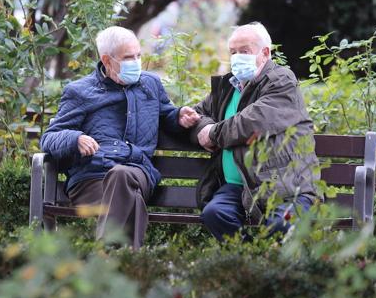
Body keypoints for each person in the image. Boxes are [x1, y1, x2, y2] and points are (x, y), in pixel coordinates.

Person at [40, 26, 200, 249]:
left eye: (138, 55)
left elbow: (166, 114)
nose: (135, 62)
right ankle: (128, 265)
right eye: (128, 57)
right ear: (107, 60)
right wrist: (75, 138)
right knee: (132, 200)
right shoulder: (79, 92)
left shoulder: (150, 84)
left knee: (121, 175)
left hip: (137, 172)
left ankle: (102, 260)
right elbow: (50, 138)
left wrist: (180, 116)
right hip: (91, 181)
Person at [189, 22, 320, 241]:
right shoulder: (228, 86)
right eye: (233, 52)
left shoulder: (281, 80)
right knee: (214, 214)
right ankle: (251, 263)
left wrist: (213, 133)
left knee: (282, 224)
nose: (237, 57)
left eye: (244, 51)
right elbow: (197, 116)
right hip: (238, 188)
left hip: (286, 187)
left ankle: (262, 265)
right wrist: (201, 127)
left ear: (265, 53)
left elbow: (253, 122)